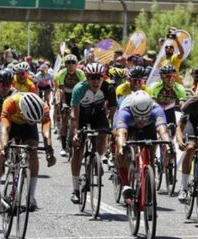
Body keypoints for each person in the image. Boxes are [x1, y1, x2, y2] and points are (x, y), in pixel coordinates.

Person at [0, 92, 57, 211]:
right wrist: (3, 147)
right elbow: (5, 129)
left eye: (36, 121)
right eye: (31, 120)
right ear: (22, 113)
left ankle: (31, 196)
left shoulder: (43, 108)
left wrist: (49, 150)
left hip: (28, 128)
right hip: (10, 124)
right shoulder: (11, 103)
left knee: (33, 152)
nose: (34, 122)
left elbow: (46, 131)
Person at [113, 91, 174, 204]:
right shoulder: (125, 111)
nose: (141, 120)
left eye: (144, 117)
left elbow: (162, 130)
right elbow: (121, 133)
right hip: (129, 125)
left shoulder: (156, 109)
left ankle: (148, 186)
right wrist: (121, 147)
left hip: (148, 126)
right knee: (121, 147)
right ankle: (126, 184)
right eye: (138, 117)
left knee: (150, 153)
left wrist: (168, 145)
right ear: (133, 111)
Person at [68, 63, 117, 203]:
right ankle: (75, 189)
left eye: (98, 78)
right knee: (77, 150)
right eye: (91, 78)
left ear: (103, 77)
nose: (95, 81)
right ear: (87, 78)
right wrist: (76, 132)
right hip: (81, 117)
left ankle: (97, 159)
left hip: (98, 115)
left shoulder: (109, 88)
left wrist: (113, 129)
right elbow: (74, 116)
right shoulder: (79, 89)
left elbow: (113, 112)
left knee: (103, 138)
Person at [54, 54, 86, 156]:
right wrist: (63, 104)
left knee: (79, 118)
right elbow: (61, 90)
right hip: (65, 95)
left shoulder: (80, 73)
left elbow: (83, 89)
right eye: (68, 63)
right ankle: (63, 147)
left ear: (76, 64)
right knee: (64, 120)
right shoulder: (61, 73)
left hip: (77, 95)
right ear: (65, 64)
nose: (71, 65)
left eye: (73, 62)